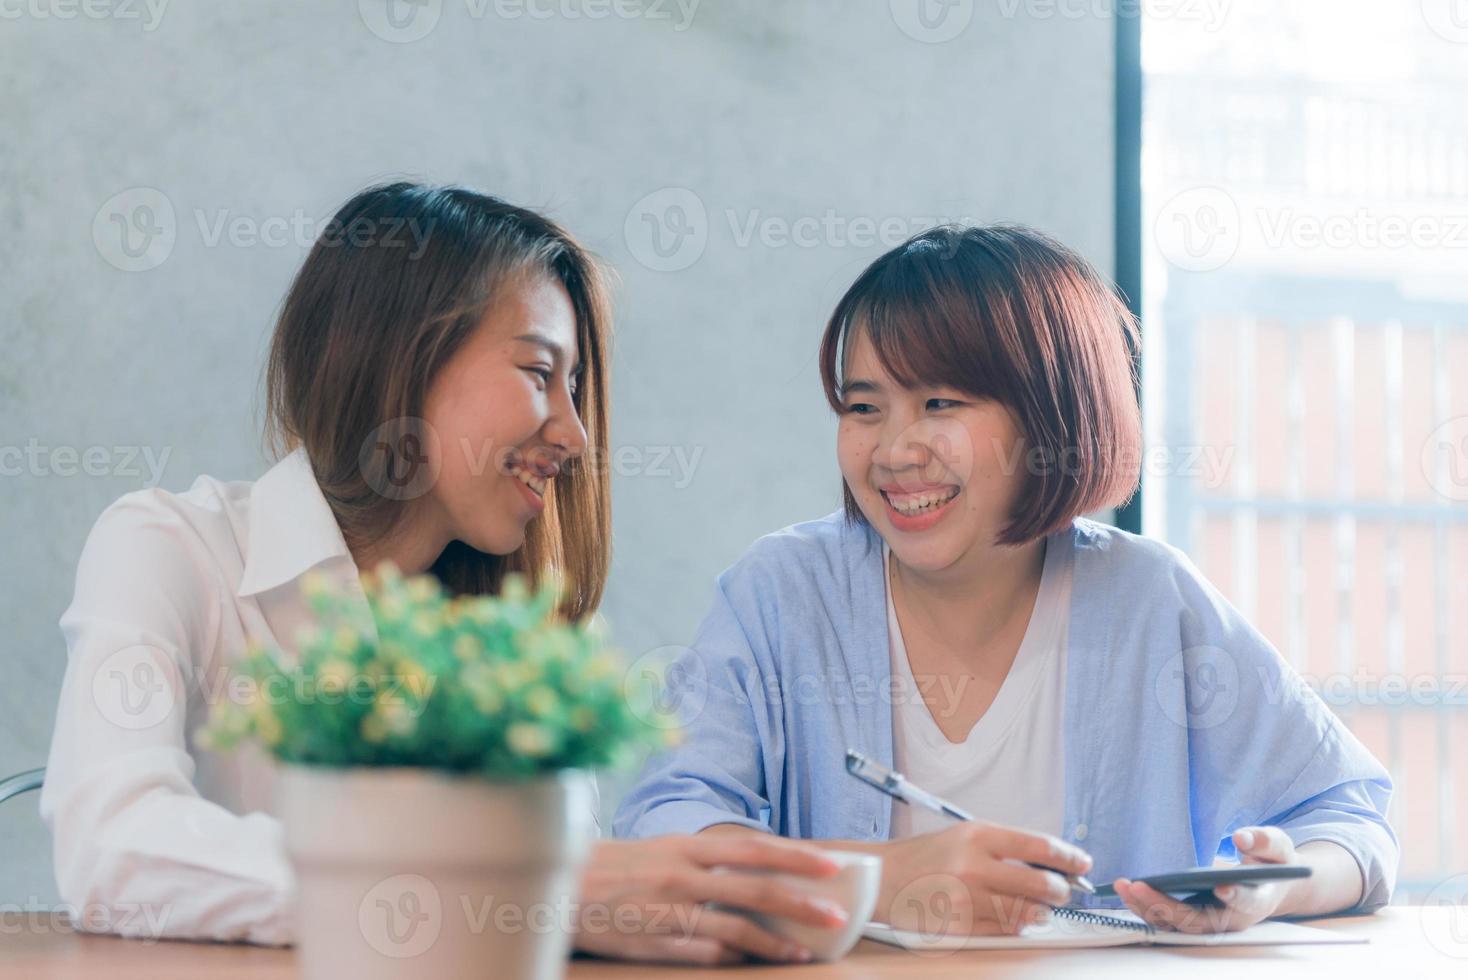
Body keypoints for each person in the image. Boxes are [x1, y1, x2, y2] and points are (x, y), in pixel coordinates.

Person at [40, 182, 846, 965]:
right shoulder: (170, 548)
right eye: (539, 373)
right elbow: (115, 848)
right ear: (401, 358)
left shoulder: (514, 644)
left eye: (575, 389)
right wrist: (518, 893)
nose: (572, 434)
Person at [615, 224, 1398, 936]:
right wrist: (875, 883)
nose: (895, 451)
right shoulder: (782, 593)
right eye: (863, 407)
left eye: (940, 402)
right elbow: (665, 814)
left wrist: (1271, 888)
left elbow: (1352, 820)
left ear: (1053, 413)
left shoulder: (1149, 599)